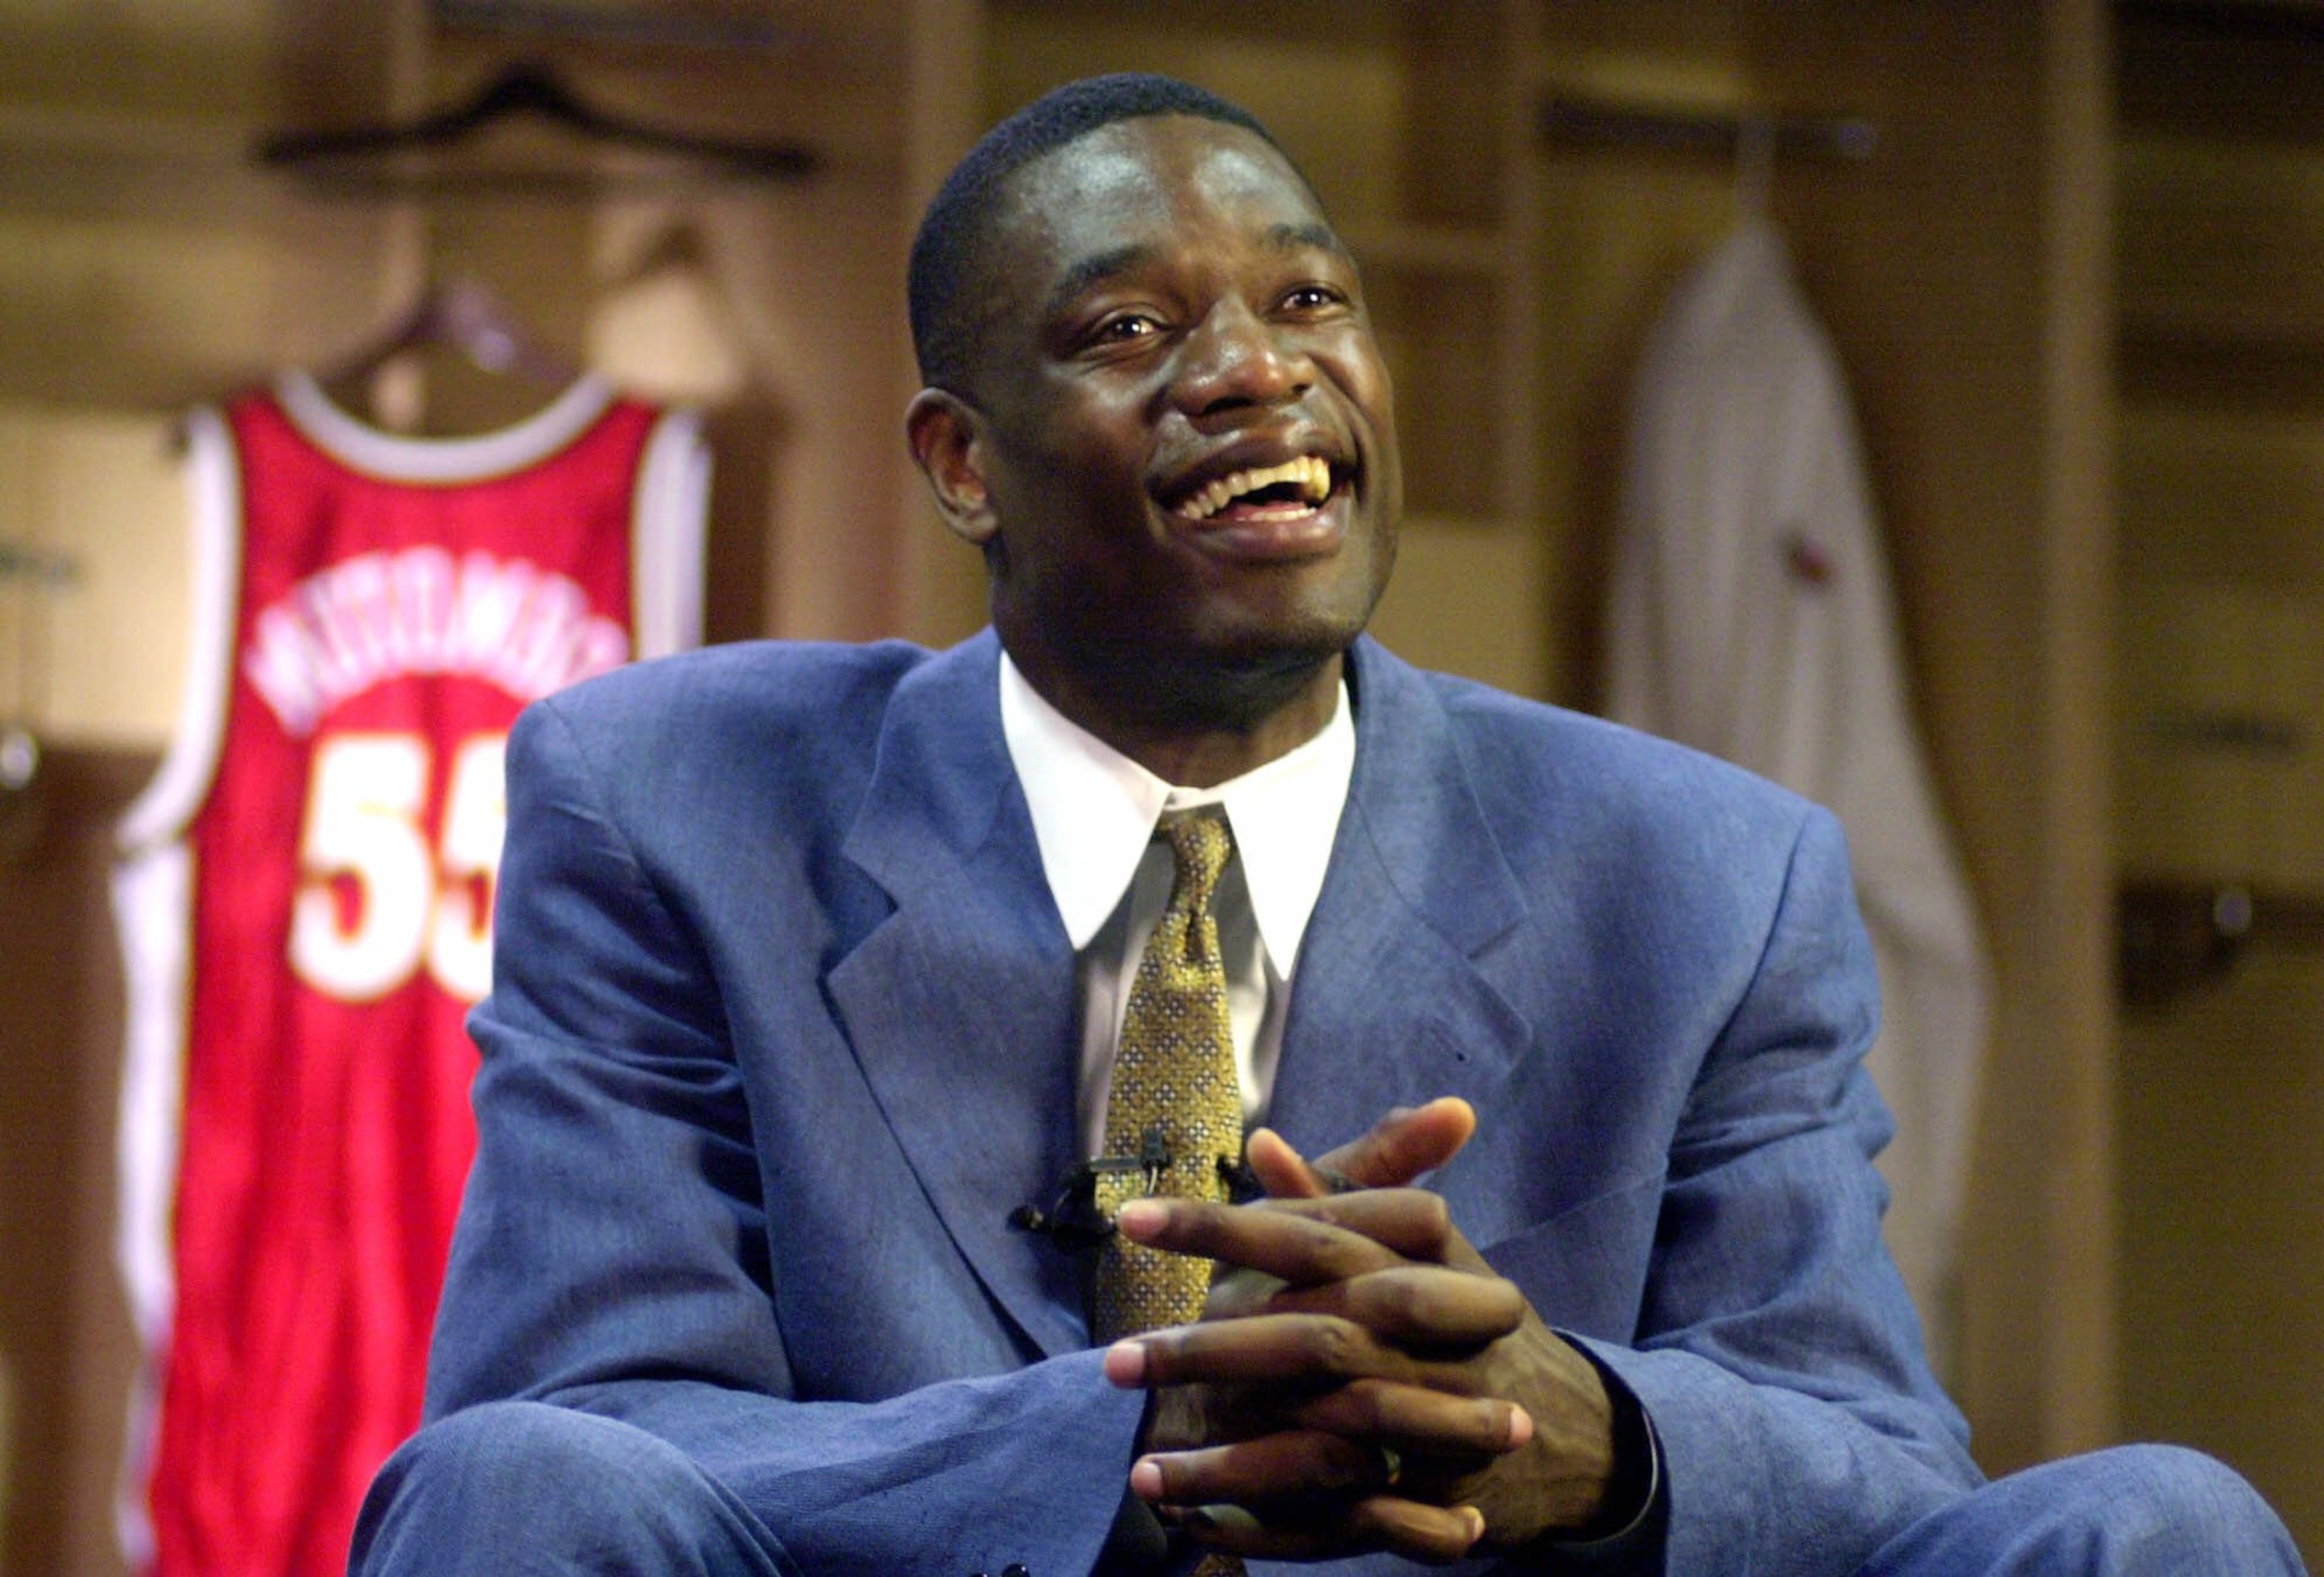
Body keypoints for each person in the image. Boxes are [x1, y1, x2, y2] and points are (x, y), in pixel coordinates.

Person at [350, 73, 2304, 1577]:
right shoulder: (670, 798)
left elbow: (1877, 1471)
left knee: (2165, 1525)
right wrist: (1133, 1446)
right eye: (1129, 331)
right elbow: (579, 1428)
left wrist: (1595, 1438)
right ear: (965, 465)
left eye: (1309, 301)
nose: (1254, 368)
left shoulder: (1706, 873)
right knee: (515, 1489)